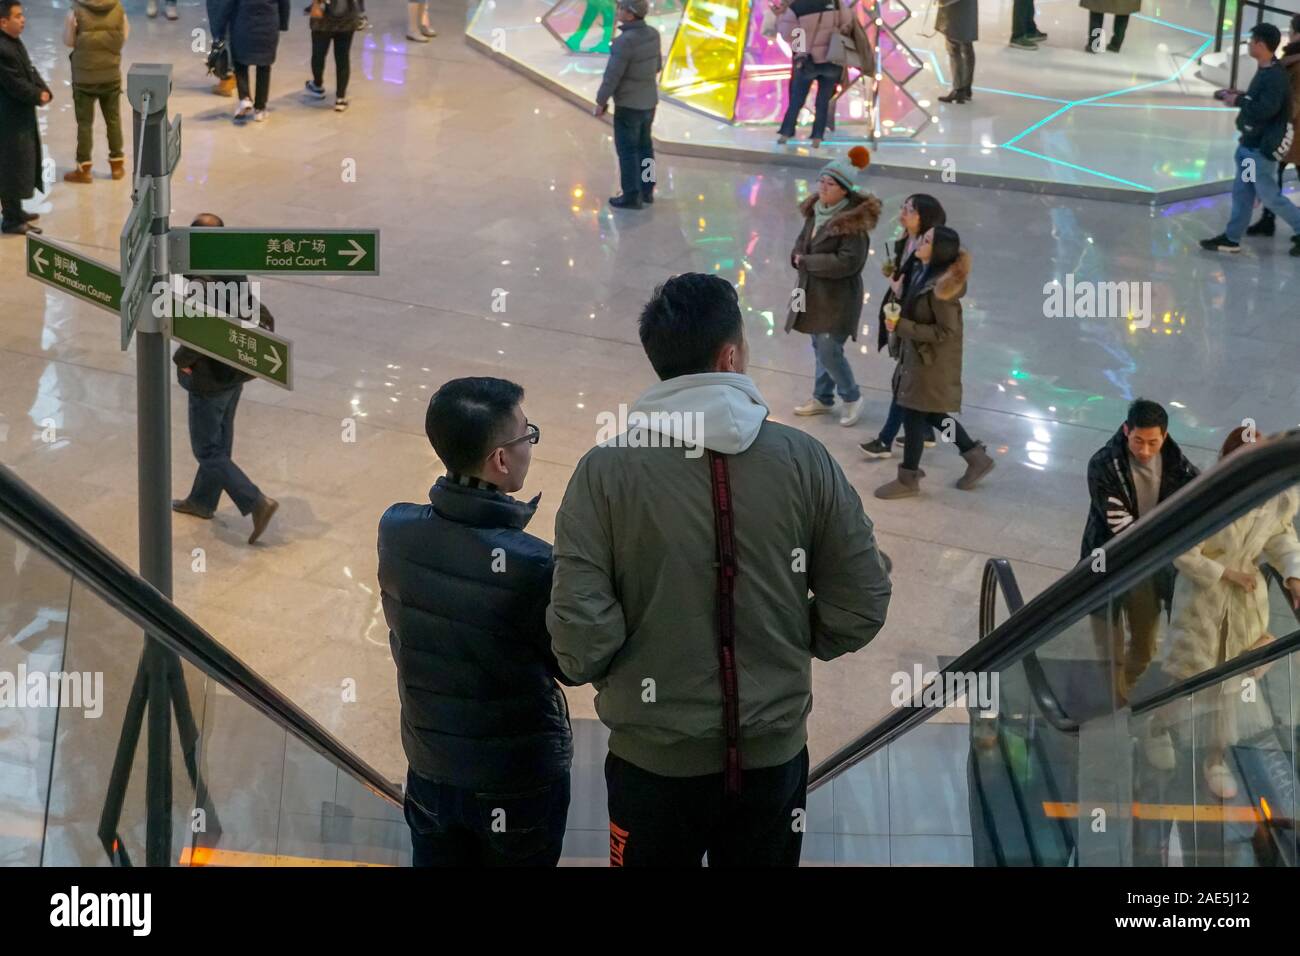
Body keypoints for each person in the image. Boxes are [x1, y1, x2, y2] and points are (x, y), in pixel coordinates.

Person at [548, 273, 892, 867]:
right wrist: (792, 638)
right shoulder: (803, 459)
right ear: (730, 356)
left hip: (652, 767)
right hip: (772, 762)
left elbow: (580, 640)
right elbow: (860, 601)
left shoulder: (604, 473)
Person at [378, 377, 573, 866]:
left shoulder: (395, 528)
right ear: (501, 459)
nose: (531, 445)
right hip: (518, 782)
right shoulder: (534, 564)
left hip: (430, 771)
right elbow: (572, 664)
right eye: (528, 435)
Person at [1149, 427, 1300, 799]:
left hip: (1245, 603)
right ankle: (1158, 727)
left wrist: (1294, 573)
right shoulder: (1206, 498)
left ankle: (1215, 758)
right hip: (1203, 600)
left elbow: (1281, 535)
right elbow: (1183, 551)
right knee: (1187, 678)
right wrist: (1225, 572)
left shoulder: (1272, 497)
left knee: (1229, 686)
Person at [1080, 398, 1199, 705]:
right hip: (1108, 565)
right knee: (1111, 653)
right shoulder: (1103, 465)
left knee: (1145, 648)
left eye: (1153, 443)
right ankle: (1114, 706)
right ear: (1125, 431)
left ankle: (1118, 696)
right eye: (1138, 441)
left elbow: (1199, 496)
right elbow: (1121, 527)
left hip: (1148, 569)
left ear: (1165, 437)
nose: (1145, 451)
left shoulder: (1177, 463)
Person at [171, 213, 280, 544]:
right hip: (233, 372)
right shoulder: (231, 265)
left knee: (207, 449)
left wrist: (182, 361)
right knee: (221, 441)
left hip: (210, 376)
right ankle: (202, 501)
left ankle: (255, 502)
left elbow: (202, 326)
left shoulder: (203, 277)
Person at [874, 225, 994, 499]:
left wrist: (902, 326)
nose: (920, 244)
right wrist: (899, 292)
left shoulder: (943, 289)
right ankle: (974, 456)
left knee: (916, 416)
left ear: (938, 250)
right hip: (918, 358)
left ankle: (908, 477)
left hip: (930, 363)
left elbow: (946, 331)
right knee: (931, 414)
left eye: (927, 241)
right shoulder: (921, 272)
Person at [788, 149, 878, 427]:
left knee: (828, 347)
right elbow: (803, 241)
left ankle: (851, 397)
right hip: (813, 292)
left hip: (838, 298)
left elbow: (848, 263)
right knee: (819, 345)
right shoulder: (816, 212)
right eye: (822, 182)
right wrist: (796, 255)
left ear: (845, 190)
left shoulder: (853, 224)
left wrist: (807, 261)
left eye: (830, 185)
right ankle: (823, 397)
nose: (823, 188)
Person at [1201, 22, 1300, 256]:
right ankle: (1232, 237)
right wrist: (1242, 97)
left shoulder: (1274, 76)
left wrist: (1238, 101)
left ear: (1261, 45)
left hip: (1259, 151)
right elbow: (1260, 101)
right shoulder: (1267, 70)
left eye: (1251, 40)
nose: (1248, 44)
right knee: (1244, 192)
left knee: (1269, 196)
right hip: (1250, 147)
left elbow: (1266, 109)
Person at [860, 193, 945, 459]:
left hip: (917, 328)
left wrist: (901, 287)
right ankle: (934, 435)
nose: (903, 214)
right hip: (905, 322)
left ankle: (886, 441)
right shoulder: (906, 242)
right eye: (903, 208)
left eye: (910, 210)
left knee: (902, 386)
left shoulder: (931, 250)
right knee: (910, 389)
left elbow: (927, 293)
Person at [593, 0, 661, 210]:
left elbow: (612, 76)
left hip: (629, 105)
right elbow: (658, 65)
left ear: (630, 14)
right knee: (645, 147)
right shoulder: (653, 34)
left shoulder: (624, 42)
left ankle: (631, 195)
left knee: (627, 151)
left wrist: (601, 101)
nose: (618, 10)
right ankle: (647, 188)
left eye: (621, 8)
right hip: (649, 102)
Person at [62, 0, 128, 185]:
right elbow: (123, 37)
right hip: (111, 74)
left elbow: (68, 40)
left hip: (84, 77)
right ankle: (117, 166)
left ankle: (84, 169)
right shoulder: (118, 8)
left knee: (84, 124)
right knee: (113, 120)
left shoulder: (75, 10)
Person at [1246, 14, 1300, 238]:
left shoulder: (1294, 62)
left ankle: (1273, 221)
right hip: (1288, 132)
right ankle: (1268, 220)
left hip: (1291, 131)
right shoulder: (1289, 59)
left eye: (1292, 30)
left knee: (1271, 174)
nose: (1289, 34)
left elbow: (1294, 101)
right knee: (1271, 174)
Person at [774, 0, 852, 148]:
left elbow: (787, 33)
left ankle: (786, 133)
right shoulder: (836, 3)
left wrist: (801, 50)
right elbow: (847, 23)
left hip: (807, 61)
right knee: (823, 102)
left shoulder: (796, 7)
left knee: (797, 99)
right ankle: (817, 137)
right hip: (832, 59)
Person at [0, 1, 49, 237]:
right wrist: (37, 94)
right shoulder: (2, 48)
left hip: (18, 116)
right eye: (17, 16)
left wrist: (43, 88)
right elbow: (15, 83)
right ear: (3, 22)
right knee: (10, 166)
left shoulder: (13, 42)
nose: (23, 20)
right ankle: (11, 220)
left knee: (20, 163)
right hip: (7, 120)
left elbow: (29, 70)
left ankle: (16, 211)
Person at [210, 0, 291, 123]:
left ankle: (245, 98)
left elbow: (227, 5)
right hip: (269, 25)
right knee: (264, 66)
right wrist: (283, 23)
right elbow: (284, 3)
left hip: (242, 24)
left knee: (240, 63)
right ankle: (260, 108)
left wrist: (220, 27)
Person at [304, 0, 362, 112]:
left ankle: (317, 84)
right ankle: (340, 98)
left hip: (322, 19)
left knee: (318, 54)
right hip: (347, 19)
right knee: (343, 57)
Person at [936, 0, 976, 103]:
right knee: (966, 44)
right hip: (967, 7)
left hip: (955, 8)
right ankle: (966, 87)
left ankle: (959, 89)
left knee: (954, 46)